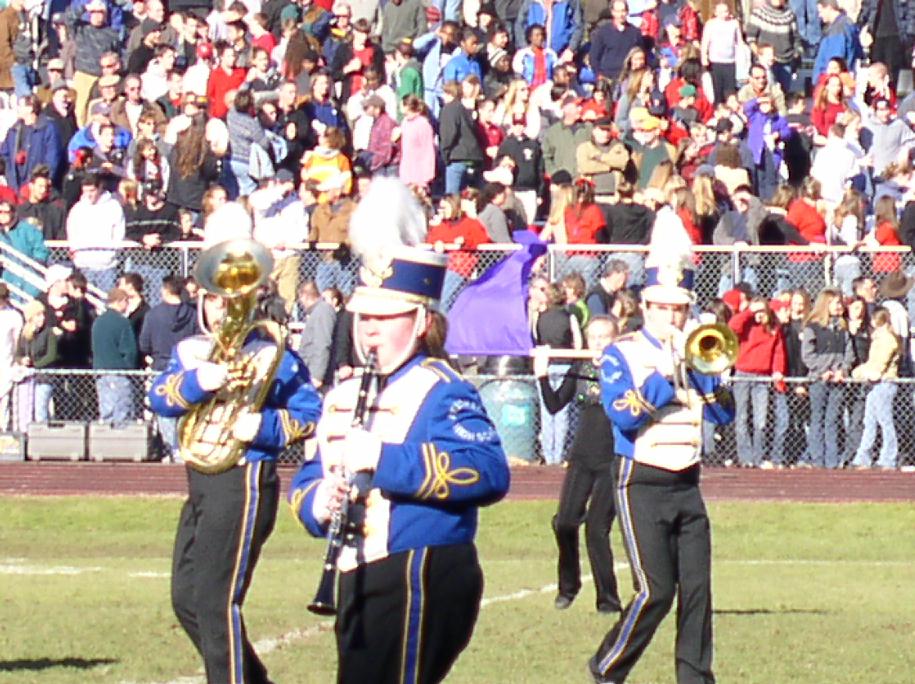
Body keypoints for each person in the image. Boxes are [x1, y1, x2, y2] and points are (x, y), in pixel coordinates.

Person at [288, 178, 510, 684]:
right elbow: (307, 477)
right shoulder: (342, 394)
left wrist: (383, 459)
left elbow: (488, 471)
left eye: (387, 317)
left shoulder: (442, 389)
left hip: (421, 568)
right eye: (365, 316)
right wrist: (319, 502)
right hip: (356, 573)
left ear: (420, 321)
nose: (370, 328)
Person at [148, 240, 323, 684]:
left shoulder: (272, 355)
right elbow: (160, 397)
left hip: (244, 478)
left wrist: (263, 426)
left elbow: (311, 414)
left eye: (230, 300)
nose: (220, 309)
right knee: (186, 597)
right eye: (212, 299)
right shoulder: (190, 351)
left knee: (216, 600)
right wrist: (198, 382)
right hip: (201, 478)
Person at [589, 240, 735, 684]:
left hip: (686, 481)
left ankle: (695, 676)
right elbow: (623, 414)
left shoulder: (695, 354)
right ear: (647, 307)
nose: (672, 318)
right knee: (655, 590)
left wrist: (705, 373)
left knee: (697, 590)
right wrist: (666, 377)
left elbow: (723, 414)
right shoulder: (623, 353)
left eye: (679, 310)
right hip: (641, 480)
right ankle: (608, 667)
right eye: (664, 309)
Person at [533, 316, 622, 614]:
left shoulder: (623, 370)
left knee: (596, 529)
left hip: (611, 459)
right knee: (564, 522)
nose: (597, 343)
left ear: (615, 339)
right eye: (593, 337)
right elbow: (554, 404)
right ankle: (568, 586)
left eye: (604, 337)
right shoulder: (580, 367)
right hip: (582, 457)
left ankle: (608, 600)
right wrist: (542, 374)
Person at [728, 296, 787, 468]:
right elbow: (732, 327)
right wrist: (749, 312)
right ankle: (745, 458)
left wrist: (777, 370)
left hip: (762, 377)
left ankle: (758, 456)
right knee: (741, 418)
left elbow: (778, 352)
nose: (760, 315)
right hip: (743, 375)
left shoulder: (773, 328)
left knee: (760, 421)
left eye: (763, 311)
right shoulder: (746, 324)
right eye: (757, 311)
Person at [800, 288, 853, 468]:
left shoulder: (843, 328)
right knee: (818, 418)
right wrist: (822, 370)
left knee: (832, 419)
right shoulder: (812, 328)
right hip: (819, 379)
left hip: (837, 380)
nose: (839, 307)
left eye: (840, 303)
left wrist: (842, 371)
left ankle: (831, 460)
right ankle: (817, 459)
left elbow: (849, 353)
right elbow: (807, 355)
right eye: (836, 303)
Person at [91, 287, 138, 425]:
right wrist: (130, 368)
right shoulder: (122, 323)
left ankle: (107, 436)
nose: (127, 305)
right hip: (119, 372)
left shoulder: (98, 322)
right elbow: (129, 350)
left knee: (106, 410)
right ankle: (121, 437)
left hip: (100, 372)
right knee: (122, 410)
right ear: (121, 301)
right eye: (127, 302)